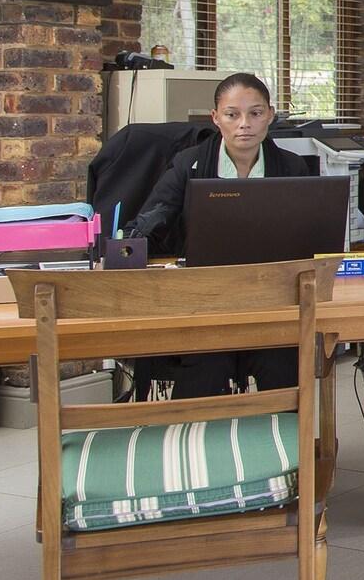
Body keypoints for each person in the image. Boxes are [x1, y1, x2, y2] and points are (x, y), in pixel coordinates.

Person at [124, 71, 312, 397]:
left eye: (255, 113)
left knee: (283, 364)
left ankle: (281, 442)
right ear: (215, 118)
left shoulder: (292, 167)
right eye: (232, 114)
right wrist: (127, 246)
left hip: (270, 299)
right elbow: (152, 220)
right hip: (204, 300)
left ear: (270, 115)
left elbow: (311, 234)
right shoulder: (189, 164)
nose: (245, 124)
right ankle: (198, 443)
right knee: (204, 367)